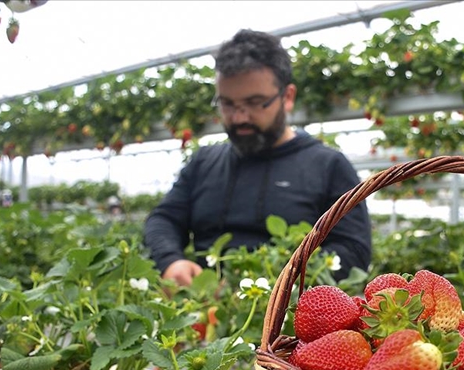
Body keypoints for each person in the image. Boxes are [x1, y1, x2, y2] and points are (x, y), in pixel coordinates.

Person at [143, 29, 372, 288]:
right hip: (202, 310)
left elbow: (354, 250)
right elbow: (163, 219)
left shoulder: (329, 166)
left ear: (287, 97)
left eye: (255, 102)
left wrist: (276, 285)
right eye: (227, 104)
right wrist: (171, 261)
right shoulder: (203, 162)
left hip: (287, 317)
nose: (240, 117)